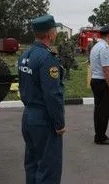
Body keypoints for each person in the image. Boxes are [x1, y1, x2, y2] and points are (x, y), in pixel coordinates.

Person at [18, 15, 65, 184]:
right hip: (44, 119)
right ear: (50, 34)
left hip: (28, 116)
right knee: (48, 169)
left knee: (32, 165)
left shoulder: (25, 55)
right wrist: (59, 124)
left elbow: (23, 85)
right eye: (55, 31)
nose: (56, 34)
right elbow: (52, 95)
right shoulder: (47, 58)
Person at [89, 24, 109, 145]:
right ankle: (101, 137)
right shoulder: (104, 48)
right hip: (102, 82)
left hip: (95, 80)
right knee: (104, 111)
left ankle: (99, 134)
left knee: (98, 109)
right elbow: (106, 69)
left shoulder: (96, 46)